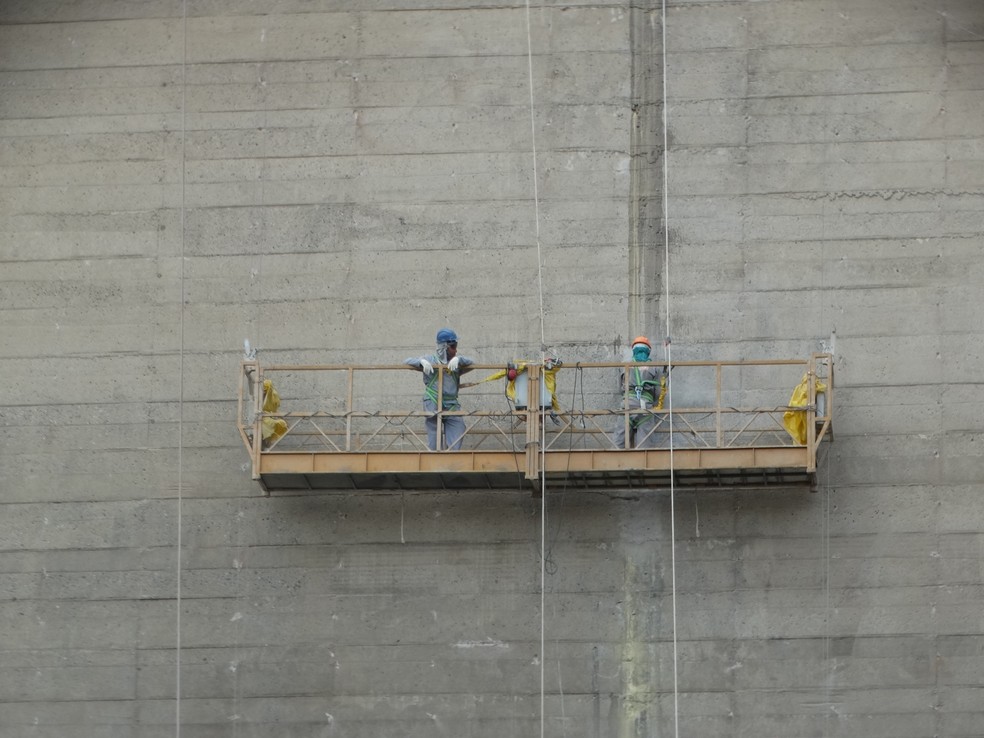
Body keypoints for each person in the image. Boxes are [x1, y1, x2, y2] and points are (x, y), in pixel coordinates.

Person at [405, 328, 475, 450]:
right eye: (453, 346)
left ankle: (452, 457)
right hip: (433, 400)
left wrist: (459, 359)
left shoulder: (455, 363)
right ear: (444, 347)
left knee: (458, 428)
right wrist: (421, 362)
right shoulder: (431, 360)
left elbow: (472, 363)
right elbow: (407, 361)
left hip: (451, 403)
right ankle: (434, 457)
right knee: (434, 434)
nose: (456, 350)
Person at [611, 336, 668, 449]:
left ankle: (613, 457)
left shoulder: (626, 367)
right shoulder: (654, 368)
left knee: (618, 443)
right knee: (645, 447)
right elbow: (659, 392)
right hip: (645, 408)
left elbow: (621, 389)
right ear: (648, 352)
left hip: (628, 405)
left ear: (634, 351)